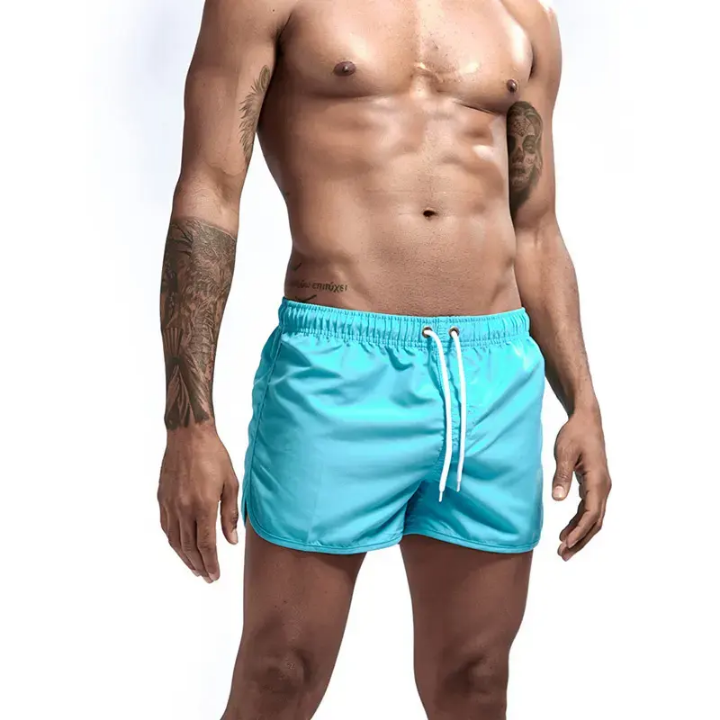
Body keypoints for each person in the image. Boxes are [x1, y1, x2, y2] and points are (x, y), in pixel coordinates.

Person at [156, 0, 612, 717]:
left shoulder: (523, 17)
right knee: (281, 671)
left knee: (476, 680)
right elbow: (209, 194)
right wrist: (189, 421)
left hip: (493, 379)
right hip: (338, 363)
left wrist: (582, 402)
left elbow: (535, 228)